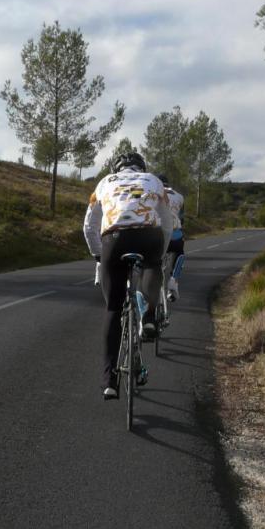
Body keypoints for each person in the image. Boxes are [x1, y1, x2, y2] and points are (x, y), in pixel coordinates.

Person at [83, 151, 173, 400]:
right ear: (140, 167)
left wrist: (99, 256)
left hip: (114, 238)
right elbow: (167, 222)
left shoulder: (105, 182)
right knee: (152, 268)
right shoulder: (153, 180)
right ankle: (150, 318)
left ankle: (109, 380)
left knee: (113, 308)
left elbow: (89, 226)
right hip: (149, 234)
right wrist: (159, 254)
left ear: (117, 168)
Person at [157, 174, 185, 302]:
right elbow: (181, 218)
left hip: (156, 234)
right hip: (174, 235)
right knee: (178, 251)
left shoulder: (153, 192)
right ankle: (173, 281)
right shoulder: (179, 196)